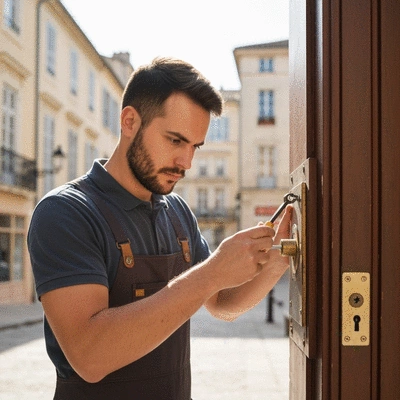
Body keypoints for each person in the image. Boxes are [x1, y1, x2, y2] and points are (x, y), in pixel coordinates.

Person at [28, 57, 292, 400]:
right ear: (129, 121)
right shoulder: (66, 212)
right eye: (175, 141)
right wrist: (212, 272)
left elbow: (222, 303)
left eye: (194, 147)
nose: (187, 163)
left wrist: (278, 259)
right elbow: (89, 356)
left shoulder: (178, 211)